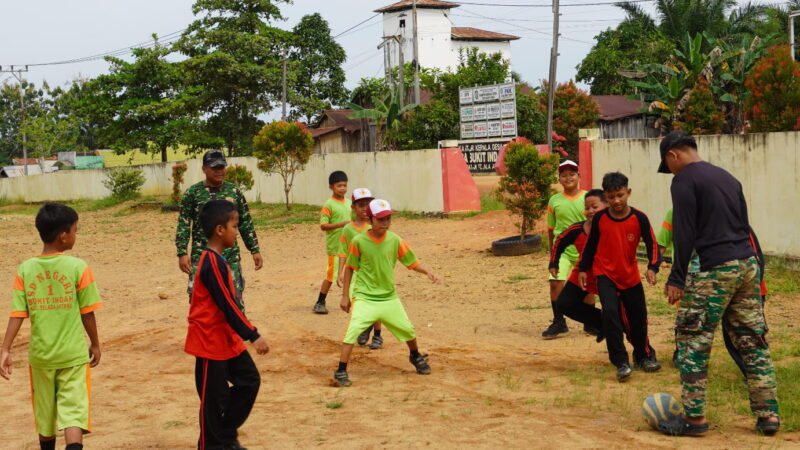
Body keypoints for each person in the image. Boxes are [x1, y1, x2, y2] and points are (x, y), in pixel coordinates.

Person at [657, 130, 779, 436]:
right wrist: (756, 269)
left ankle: (694, 420)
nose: (669, 170)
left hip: (715, 268)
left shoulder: (684, 179)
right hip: (747, 264)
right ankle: (768, 417)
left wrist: (676, 277)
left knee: (693, 341)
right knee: (753, 341)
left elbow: (684, 233)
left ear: (673, 155)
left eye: (667, 164)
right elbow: (745, 227)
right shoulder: (728, 177)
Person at [1, 203, 102, 450]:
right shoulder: (78, 267)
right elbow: (87, 312)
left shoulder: (25, 269)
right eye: (75, 230)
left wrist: (5, 349)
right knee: (74, 414)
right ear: (63, 236)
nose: (76, 235)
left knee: (45, 416)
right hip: (73, 355)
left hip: (41, 357)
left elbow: (17, 314)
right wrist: (96, 344)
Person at [185, 200, 270, 450]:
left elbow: (229, 305)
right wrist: (253, 335)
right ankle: (213, 443)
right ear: (220, 230)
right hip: (209, 340)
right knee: (213, 400)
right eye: (234, 226)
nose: (237, 231)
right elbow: (228, 304)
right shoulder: (210, 262)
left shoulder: (219, 261)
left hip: (226, 338)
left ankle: (222, 436)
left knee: (249, 381)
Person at [334, 199, 442, 387]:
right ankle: (341, 370)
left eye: (388, 219)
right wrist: (345, 296)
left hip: (389, 297)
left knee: (408, 329)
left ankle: (415, 355)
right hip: (365, 297)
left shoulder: (395, 240)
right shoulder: (359, 241)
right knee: (352, 333)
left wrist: (428, 272)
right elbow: (350, 268)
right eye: (381, 219)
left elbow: (411, 261)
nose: (385, 223)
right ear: (370, 219)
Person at [578, 172, 661, 382]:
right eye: (612, 196)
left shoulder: (639, 218)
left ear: (628, 193)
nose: (616, 200)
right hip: (605, 274)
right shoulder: (600, 219)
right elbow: (590, 246)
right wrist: (583, 269)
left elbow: (652, 245)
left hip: (630, 276)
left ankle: (643, 356)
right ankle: (621, 362)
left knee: (638, 318)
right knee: (611, 316)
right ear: (606, 197)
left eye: (620, 195)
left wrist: (653, 267)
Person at [176, 150, 262, 311]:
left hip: (230, 258)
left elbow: (245, 223)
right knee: (201, 304)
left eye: (222, 167)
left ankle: (236, 335)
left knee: (234, 301)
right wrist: (182, 252)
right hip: (201, 259)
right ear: (204, 169)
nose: (219, 171)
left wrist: (254, 249)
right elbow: (184, 224)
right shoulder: (192, 193)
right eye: (214, 167)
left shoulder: (234, 192)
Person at [551, 189, 607, 342]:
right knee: (564, 303)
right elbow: (560, 241)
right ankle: (602, 322)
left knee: (615, 310)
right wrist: (553, 263)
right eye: (587, 208)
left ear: (606, 205)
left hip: (608, 276)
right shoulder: (577, 229)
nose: (590, 211)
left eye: (594, 207)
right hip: (583, 275)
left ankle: (641, 351)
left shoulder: (614, 228)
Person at [542, 160, 588, 339]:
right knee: (555, 281)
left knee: (587, 286)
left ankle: (589, 322)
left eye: (572, 174)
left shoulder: (588, 198)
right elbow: (551, 228)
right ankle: (559, 321)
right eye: (564, 175)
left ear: (579, 177)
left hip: (585, 249)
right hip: (562, 250)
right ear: (559, 179)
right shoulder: (554, 200)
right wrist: (551, 250)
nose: (568, 177)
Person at [336, 188, 384, 349]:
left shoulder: (376, 226)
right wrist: (340, 272)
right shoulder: (348, 229)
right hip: (356, 273)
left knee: (376, 302)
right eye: (361, 205)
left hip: (374, 272)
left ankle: (377, 336)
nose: (365, 208)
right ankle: (365, 327)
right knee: (357, 303)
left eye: (368, 205)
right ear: (353, 207)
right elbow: (343, 252)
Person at [313, 170, 351, 314]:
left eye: (345, 185)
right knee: (331, 276)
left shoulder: (350, 204)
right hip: (335, 247)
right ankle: (320, 301)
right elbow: (323, 226)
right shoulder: (328, 205)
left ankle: (351, 300)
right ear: (331, 187)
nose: (342, 188)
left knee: (353, 274)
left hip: (350, 247)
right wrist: (341, 224)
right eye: (339, 186)